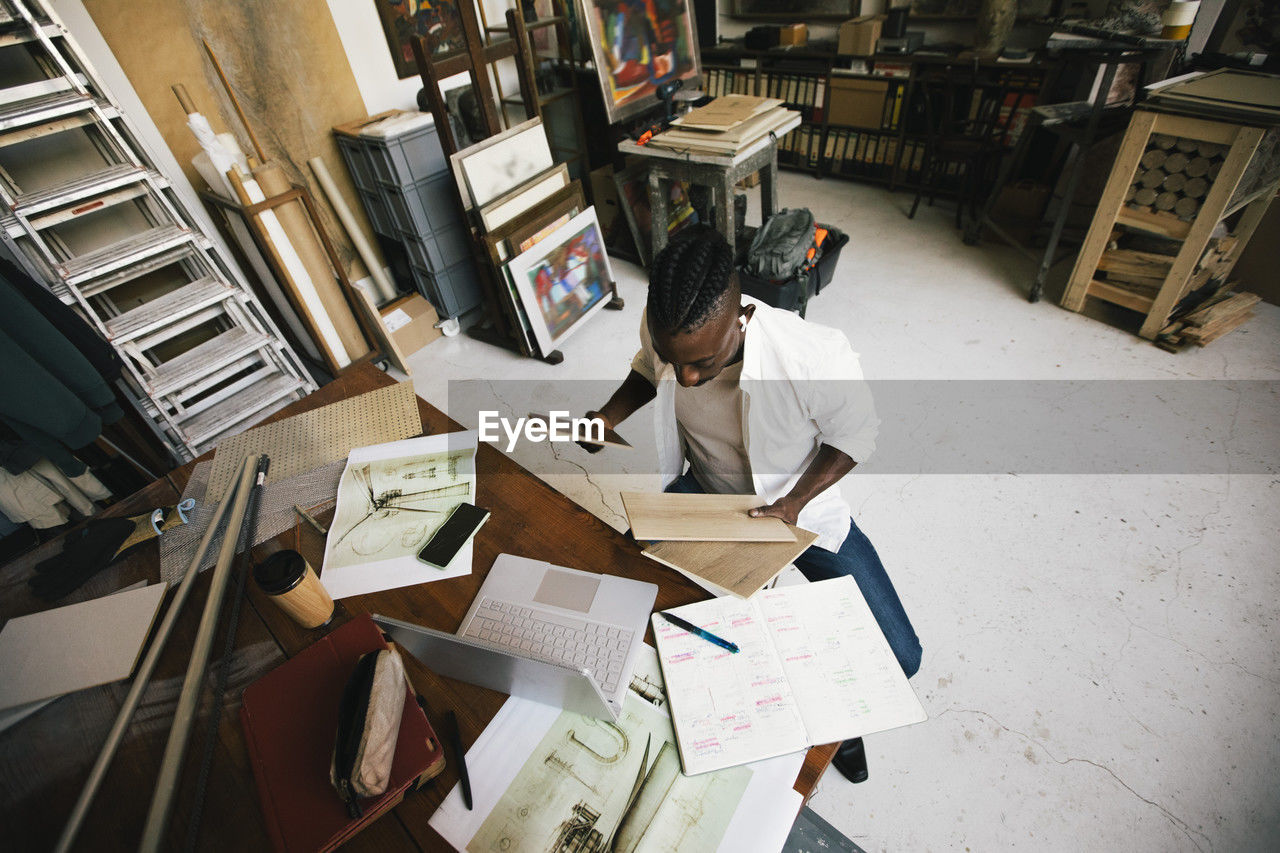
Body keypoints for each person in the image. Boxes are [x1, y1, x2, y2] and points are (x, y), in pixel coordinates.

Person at [586, 225, 921, 783]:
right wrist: (607, 416)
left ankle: (835, 728)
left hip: (797, 511)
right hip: (704, 494)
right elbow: (650, 368)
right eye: (678, 361)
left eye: (702, 363)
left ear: (738, 317)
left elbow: (857, 437)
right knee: (672, 616)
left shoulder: (812, 355)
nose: (687, 379)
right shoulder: (667, 327)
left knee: (899, 656)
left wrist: (793, 503)